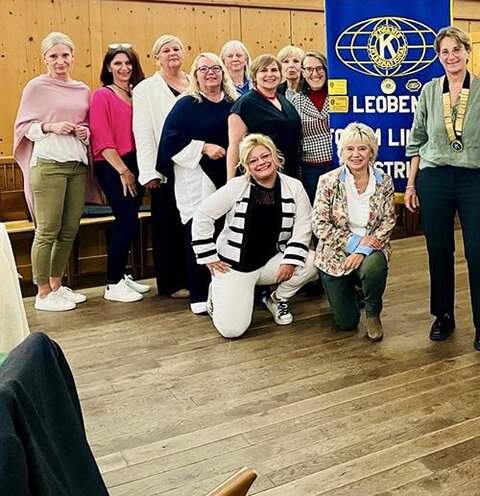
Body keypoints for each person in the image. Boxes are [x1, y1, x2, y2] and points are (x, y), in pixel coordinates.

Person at [405, 26, 480, 352]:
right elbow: (417, 141)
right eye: (444, 52)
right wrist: (411, 183)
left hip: (475, 179)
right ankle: (443, 315)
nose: (451, 56)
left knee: (479, 252)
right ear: (439, 57)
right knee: (439, 251)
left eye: (456, 50)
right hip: (434, 178)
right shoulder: (428, 92)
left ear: (467, 52)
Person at [193, 134, 318, 338]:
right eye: (253, 160)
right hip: (235, 267)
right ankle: (216, 294)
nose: (261, 163)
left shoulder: (293, 186)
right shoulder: (236, 186)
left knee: (314, 261)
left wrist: (290, 261)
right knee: (232, 331)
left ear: (275, 157)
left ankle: (277, 298)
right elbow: (203, 214)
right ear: (246, 166)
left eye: (265, 156)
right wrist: (208, 255)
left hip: (271, 262)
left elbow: (304, 226)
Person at [13, 32, 94, 312]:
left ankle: (57, 285)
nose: (60, 61)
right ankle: (43, 292)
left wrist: (85, 131)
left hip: (76, 164)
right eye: (54, 56)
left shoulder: (83, 88)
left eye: (65, 55)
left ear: (72, 56)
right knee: (47, 230)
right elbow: (24, 128)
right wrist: (50, 126)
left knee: (69, 229)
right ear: (45, 58)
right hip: (48, 165)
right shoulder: (36, 87)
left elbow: (87, 125)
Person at [157, 53, 236, 315]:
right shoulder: (186, 104)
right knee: (199, 235)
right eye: (203, 69)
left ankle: (228, 291)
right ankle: (200, 295)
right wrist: (203, 147)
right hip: (197, 178)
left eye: (215, 68)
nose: (210, 73)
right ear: (196, 74)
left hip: (230, 177)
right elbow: (169, 142)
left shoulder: (233, 103)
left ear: (223, 73)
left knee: (229, 233)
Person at [313, 122, 396, 340]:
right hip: (334, 253)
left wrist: (361, 251)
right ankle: (350, 288)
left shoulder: (384, 181)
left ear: (371, 152)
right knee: (346, 323)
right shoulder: (328, 181)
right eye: (350, 149)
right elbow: (319, 224)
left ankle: (372, 313)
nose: (356, 154)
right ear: (342, 152)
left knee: (375, 267)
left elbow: (388, 220)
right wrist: (353, 244)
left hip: (371, 248)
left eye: (362, 148)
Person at [89, 44, 150, 302]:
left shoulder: (137, 94)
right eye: (118, 64)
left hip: (136, 162)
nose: (124, 68)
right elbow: (102, 140)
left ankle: (123, 276)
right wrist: (124, 171)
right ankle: (112, 283)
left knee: (129, 220)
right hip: (114, 164)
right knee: (126, 220)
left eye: (128, 64)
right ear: (108, 67)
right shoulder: (102, 95)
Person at [133, 34, 190, 298]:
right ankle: (170, 283)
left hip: (193, 166)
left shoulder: (193, 82)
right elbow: (143, 133)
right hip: (163, 168)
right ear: (157, 58)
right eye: (165, 50)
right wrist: (149, 172)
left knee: (190, 224)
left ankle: (193, 276)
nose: (172, 53)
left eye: (176, 48)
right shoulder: (145, 89)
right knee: (167, 226)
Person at [227, 54, 302, 178]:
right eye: (263, 70)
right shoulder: (244, 105)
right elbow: (234, 146)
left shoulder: (283, 100)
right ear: (254, 76)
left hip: (289, 172)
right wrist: (230, 182)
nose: (270, 74)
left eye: (274, 70)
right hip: (261, 174)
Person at [288, 52, 332, 203]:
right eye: (309, 69)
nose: (315, 73)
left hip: (340, 165)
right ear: (303, 72)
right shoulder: (296, 101)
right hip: (311, 170)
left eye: (320, 68)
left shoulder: (338, 94)